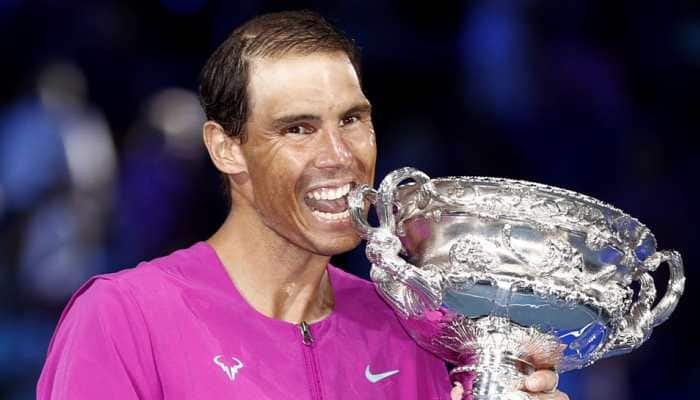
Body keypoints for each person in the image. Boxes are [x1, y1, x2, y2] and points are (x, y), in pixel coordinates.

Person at [37, 11, 568, 400]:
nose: (340, 155)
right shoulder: (123, 319)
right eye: (298, 128)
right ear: (227, 148)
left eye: (353, 120)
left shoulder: (417, 333)